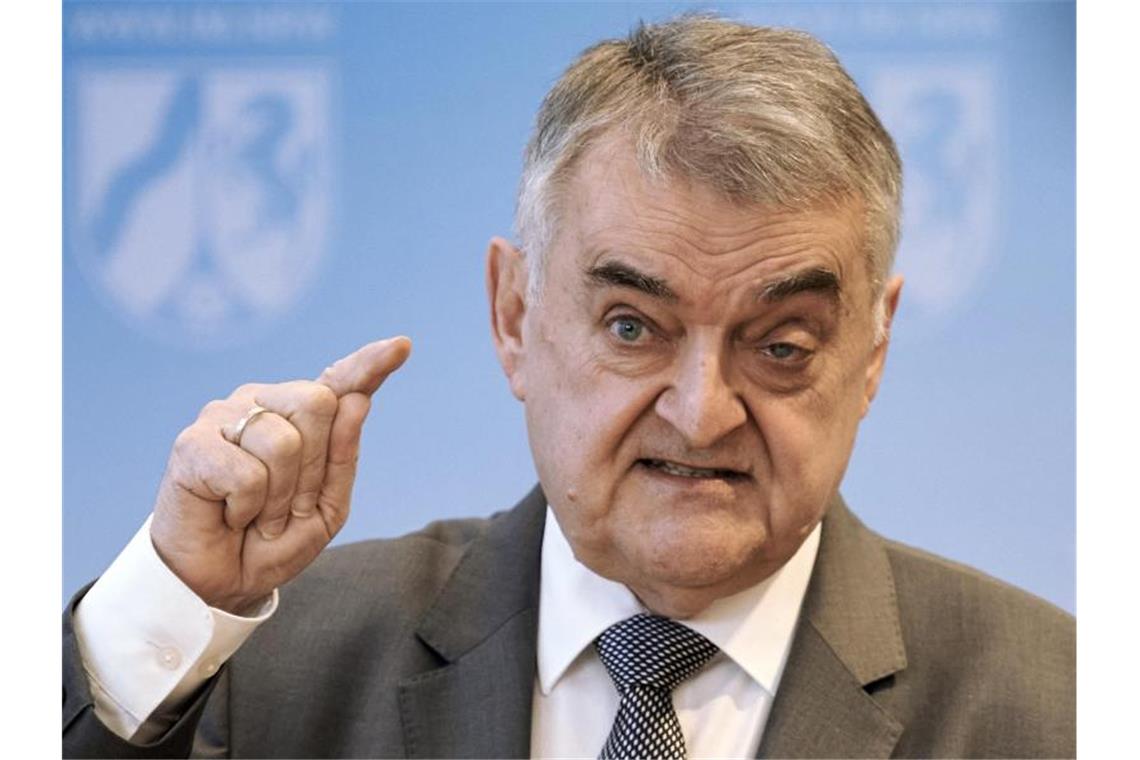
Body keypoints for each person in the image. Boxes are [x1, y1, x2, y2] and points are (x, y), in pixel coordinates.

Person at [62, 15, 1075, 759]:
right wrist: (167, 604)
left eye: (782, 344)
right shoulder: (276, 665)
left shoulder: (1058, 705)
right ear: (515, 316)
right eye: (634, 327)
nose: (702, 410)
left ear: (875, 348)